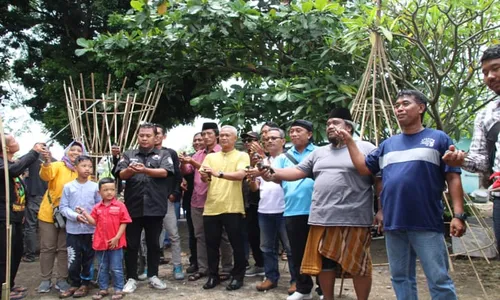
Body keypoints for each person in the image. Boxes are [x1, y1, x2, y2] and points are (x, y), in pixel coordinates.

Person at [337, 91, 466, 300]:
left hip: (426, 221)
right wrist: (350, 141)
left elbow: (453, 177)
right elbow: (363, 168)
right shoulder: (388, 144)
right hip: (394, 223)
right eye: (397, 105)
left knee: (439, 279)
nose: (399, 108)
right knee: (400, 277)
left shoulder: (438, 138)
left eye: (405, 104)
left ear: (421, 108)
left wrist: (458, 215)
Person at [255, 110, 376, 300]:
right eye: (328, 124)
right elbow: (296, 171)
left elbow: (377, 177)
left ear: (349, 127)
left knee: (358, 265)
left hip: (355, 217)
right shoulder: (320, 152)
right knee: (325, 264)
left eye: (335, 122)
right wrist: (272, 171)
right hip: (322, 217)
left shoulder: (366, 147)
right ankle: (327, 298)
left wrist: (383, 210)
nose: (330, 126)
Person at [442, 45, 500, 252]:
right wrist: (461, 160)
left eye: (495, 68)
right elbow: (482, 162)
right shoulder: (487, 115)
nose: (490, 76)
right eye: (485, 73)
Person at [114, 123, 174, 293]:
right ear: (138, 136)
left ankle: (153, 275)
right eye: (142, 135)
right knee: (131, 244)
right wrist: (131, 171)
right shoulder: (128, 154)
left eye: (148, 135)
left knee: (154, 244)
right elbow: (120, 173)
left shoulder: (164, 154)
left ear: (156, 137)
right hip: (133, 207)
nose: (145, 138)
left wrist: (145, 170)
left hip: (155, 206)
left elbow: (166, 172)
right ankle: (131, 278)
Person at [179, 122, 233, 282]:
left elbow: (210, 171)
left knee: (222, 236)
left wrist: (193, 163)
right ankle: (203, 268)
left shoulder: (222, 153)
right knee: (200, 236)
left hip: (217, 200)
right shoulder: (198, 154)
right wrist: (183, 162)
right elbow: (187, 171)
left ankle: (227, 268)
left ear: (216, 135)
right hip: (197, 199)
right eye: (203, 134)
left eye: (209, 134)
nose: (206, 137)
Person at [200, 125, 250, 291]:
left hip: (233, 207)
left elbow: (241, 175)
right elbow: (204, 178)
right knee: (211, 245)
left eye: (228, 135)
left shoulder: (242, 156)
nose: (224, 138)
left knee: (237, 244)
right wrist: (205, 175)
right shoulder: (211, 157)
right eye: (221, 135)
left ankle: (237, 276)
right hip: (212, 206)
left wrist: (217, 173)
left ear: (235, 139)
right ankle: (213, 276)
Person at [248, 128, 297, 293]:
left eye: (274, 138)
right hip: (264, 209)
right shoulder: (262, 161)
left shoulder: (289, 159)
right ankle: (270, 278)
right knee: (267, 247)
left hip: (286, 209)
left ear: (283, 141)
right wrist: (252, 178)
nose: (269, 141)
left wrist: (263, 165)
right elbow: (255, 188)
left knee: (291, 249)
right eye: (267, 139)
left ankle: (296, 280)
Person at [274, 120, 317, 300]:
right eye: (291, 131)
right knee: (297, 252)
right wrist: (264, 173)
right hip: (292, 210)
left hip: (317, 210)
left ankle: (323, 289)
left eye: (299, 131)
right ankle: (303, 288)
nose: (294, 134)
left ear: (309, 134)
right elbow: (276, 178)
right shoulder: (284, 156)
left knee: (320, 252)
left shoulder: (319, 152)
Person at [37, 141, 87, 293]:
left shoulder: (83, 171)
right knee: (47, 248)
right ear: (67, 151)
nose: (75, 152)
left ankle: (62, 279)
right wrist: (46, 161)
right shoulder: (58, 165)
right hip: (49, 214)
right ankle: (45, 279)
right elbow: (46, 175)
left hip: (70, 216)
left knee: (64, 249)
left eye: (79, 150)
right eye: (73, 149)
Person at [0, 135, 46, 300]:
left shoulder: (12, 163)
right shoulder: (3, 164)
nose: (16, 142)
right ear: (5, 148)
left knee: (16, 251)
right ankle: (3, 288)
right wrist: (33, 152)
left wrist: (22, 212)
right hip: (4, 216)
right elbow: (13, 170)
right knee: (4, 254)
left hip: (17, 215)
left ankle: (10, 283)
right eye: (12, 141)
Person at [79, 177, 132, 300]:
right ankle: (103, 289)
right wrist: (85, 213)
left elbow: (124, 222)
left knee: (116, 267)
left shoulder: (120, 206)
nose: (109, 192)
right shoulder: (97, 207)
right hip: (100, 243)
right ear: (99, 192)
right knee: (102, 267)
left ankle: (119, 289)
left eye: (112, 189)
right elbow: (93, 222)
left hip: (115, 243)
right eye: (105, 190)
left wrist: (117, 238)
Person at [58, 155, 102, 298]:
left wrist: (90, 218)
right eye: (84, 166)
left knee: (89, 258)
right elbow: (63, 207)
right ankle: (74, 283)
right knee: (73, 258)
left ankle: (85, 284)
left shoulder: (96, 187)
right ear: (75, 167)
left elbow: (99, 207)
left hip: (90, 230)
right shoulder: (68, 187)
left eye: (90, 166)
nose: (87, 169)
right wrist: (75, 216)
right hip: (73, 230)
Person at [155, 124, 184, 280]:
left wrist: (175, 193)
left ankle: (177, 266)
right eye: (155, 133)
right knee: (148, 236)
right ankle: (149, 268)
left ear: (163, 136)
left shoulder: (170, 153)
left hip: (167, 200)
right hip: (150, 201)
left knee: (173, 234)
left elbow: (177, 175)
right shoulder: (143, 154)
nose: (156, 136)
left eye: (159, 133)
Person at [240, 131, 264, 277]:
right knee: (252, 235)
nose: (248, 142)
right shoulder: (242, 156)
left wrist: (260, 155)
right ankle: (259, 264)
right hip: (247, 201)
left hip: (264, 201)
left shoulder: (266, 154)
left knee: (265, 236)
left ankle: (265, 265)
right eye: (246, 140)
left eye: (251, 140)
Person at [22, 154, 53, 263]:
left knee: (30, 226)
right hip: (48, 198)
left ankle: (30, 254)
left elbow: (18, 162)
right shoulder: (54, 161)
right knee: (49, 224)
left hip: (34, 196)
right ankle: (49, 250)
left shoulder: (30, 159)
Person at [182, 132, 204, 274]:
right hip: (191, 198)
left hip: (207, 198)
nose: (197, 142)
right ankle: (195, 261)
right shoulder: (191, 156)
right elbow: (184, 173)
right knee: (194, 233)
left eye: (200, 140)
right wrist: (184, 163)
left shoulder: (212, 156)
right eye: (195, 140)